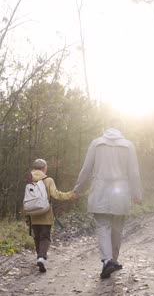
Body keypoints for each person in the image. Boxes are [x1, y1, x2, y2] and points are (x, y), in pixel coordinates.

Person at [73, 118, 142, 279]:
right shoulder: (128, 145)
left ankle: (107, 261)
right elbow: (134, 172)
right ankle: (114, 260)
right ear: (121, 128)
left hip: (100, 191)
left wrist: (78, 189)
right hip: (121, 192)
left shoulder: (96, 143)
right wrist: (136, 194)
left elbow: (87, 168)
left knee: (103, 226)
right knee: (117, 228)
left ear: (107, 127)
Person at [25, 158, 76, 273]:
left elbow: (27, 199)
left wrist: (26, 216)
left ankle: (39, 257)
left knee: (37, 237)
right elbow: (56, 195)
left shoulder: (29, 179)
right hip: (45, 214)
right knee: (45, 237)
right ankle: (42, 258)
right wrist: (70, 195)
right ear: (44, 168)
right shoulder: (48, 180)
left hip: (32, 214)